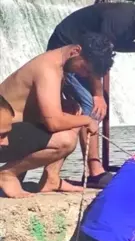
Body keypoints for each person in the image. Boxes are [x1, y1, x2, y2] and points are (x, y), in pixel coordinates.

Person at [47, 0, 135, 187]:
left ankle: (52, 176)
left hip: (83, 56)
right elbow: (95, 57)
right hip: (66, 53)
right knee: (91, 106)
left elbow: (114, 44)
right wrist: (97, 95)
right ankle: (94, 171)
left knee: (77, 109)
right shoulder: (122, 18)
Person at [0, 34, 114, 198]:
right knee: (65, 139)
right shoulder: (48, 69)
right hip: (3, 135)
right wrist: (88, 120)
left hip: (15, 131)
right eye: (84, 69)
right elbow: (54, 123)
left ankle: (51, 179)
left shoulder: (58, 66)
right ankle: (7, 174)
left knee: (73, 112)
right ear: (76, 51)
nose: (83, 75)